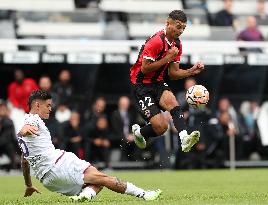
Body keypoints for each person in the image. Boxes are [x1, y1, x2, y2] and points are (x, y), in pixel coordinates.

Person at [17, 90, 161, 201]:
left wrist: (28, 184)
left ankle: (85, 195)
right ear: (37, 105)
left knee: (96, 182)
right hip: (58, 164)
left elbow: (24, 160)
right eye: (48, 105)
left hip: (48, 181)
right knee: (102, 178)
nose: (50, 109)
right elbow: (27, 128)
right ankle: (144, 194)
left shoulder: (24, 129)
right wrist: (25, 130)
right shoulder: (32, 119)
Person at [130, 10, 204, 152]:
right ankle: (139, 133)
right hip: (141, 86)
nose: (180, 30)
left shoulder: (177, 44)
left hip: (157, 82)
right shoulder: (156, 41)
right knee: (161, 127)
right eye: (178, 26)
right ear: (168, 23)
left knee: (173, 103)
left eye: (183, 28)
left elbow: (173, 73)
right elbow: (145, 69)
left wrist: (191, 71)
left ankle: (184, 138)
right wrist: (167, 58)